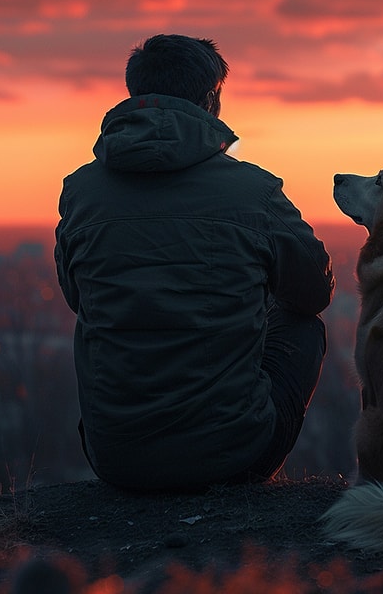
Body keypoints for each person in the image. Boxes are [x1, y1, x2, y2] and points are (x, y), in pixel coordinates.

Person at [55, 34, 335, 491]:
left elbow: (76, 297)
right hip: (234, 457)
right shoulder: (254, 192)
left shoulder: (80, 191)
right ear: (212, 101)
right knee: (302, 326)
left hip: (114, 458)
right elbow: (314, 293)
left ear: (135, 93)